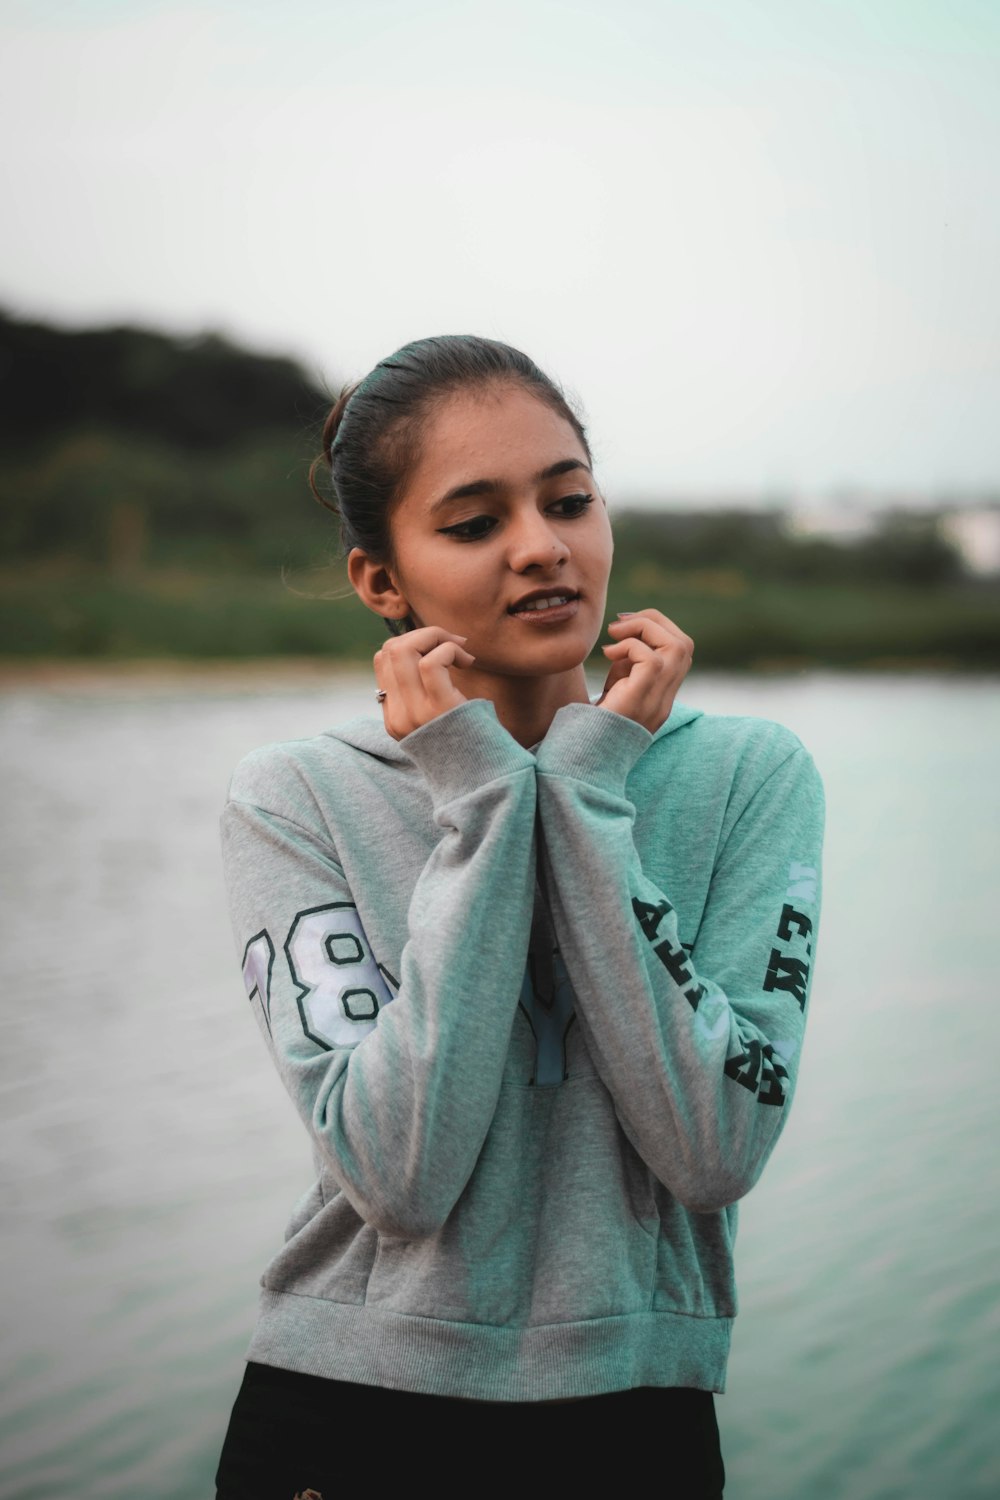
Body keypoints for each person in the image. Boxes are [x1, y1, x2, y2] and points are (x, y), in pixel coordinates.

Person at [215, 335, 824, 1498]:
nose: (542, 547)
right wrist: (484, 791)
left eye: (569, 500)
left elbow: (714, 1151)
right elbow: (398, 1172)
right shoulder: (296, 796)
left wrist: (588, 794)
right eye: (472, 521)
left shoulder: (749, 777)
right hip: (345, 1419)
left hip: (637, 1412)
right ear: (380, 583)